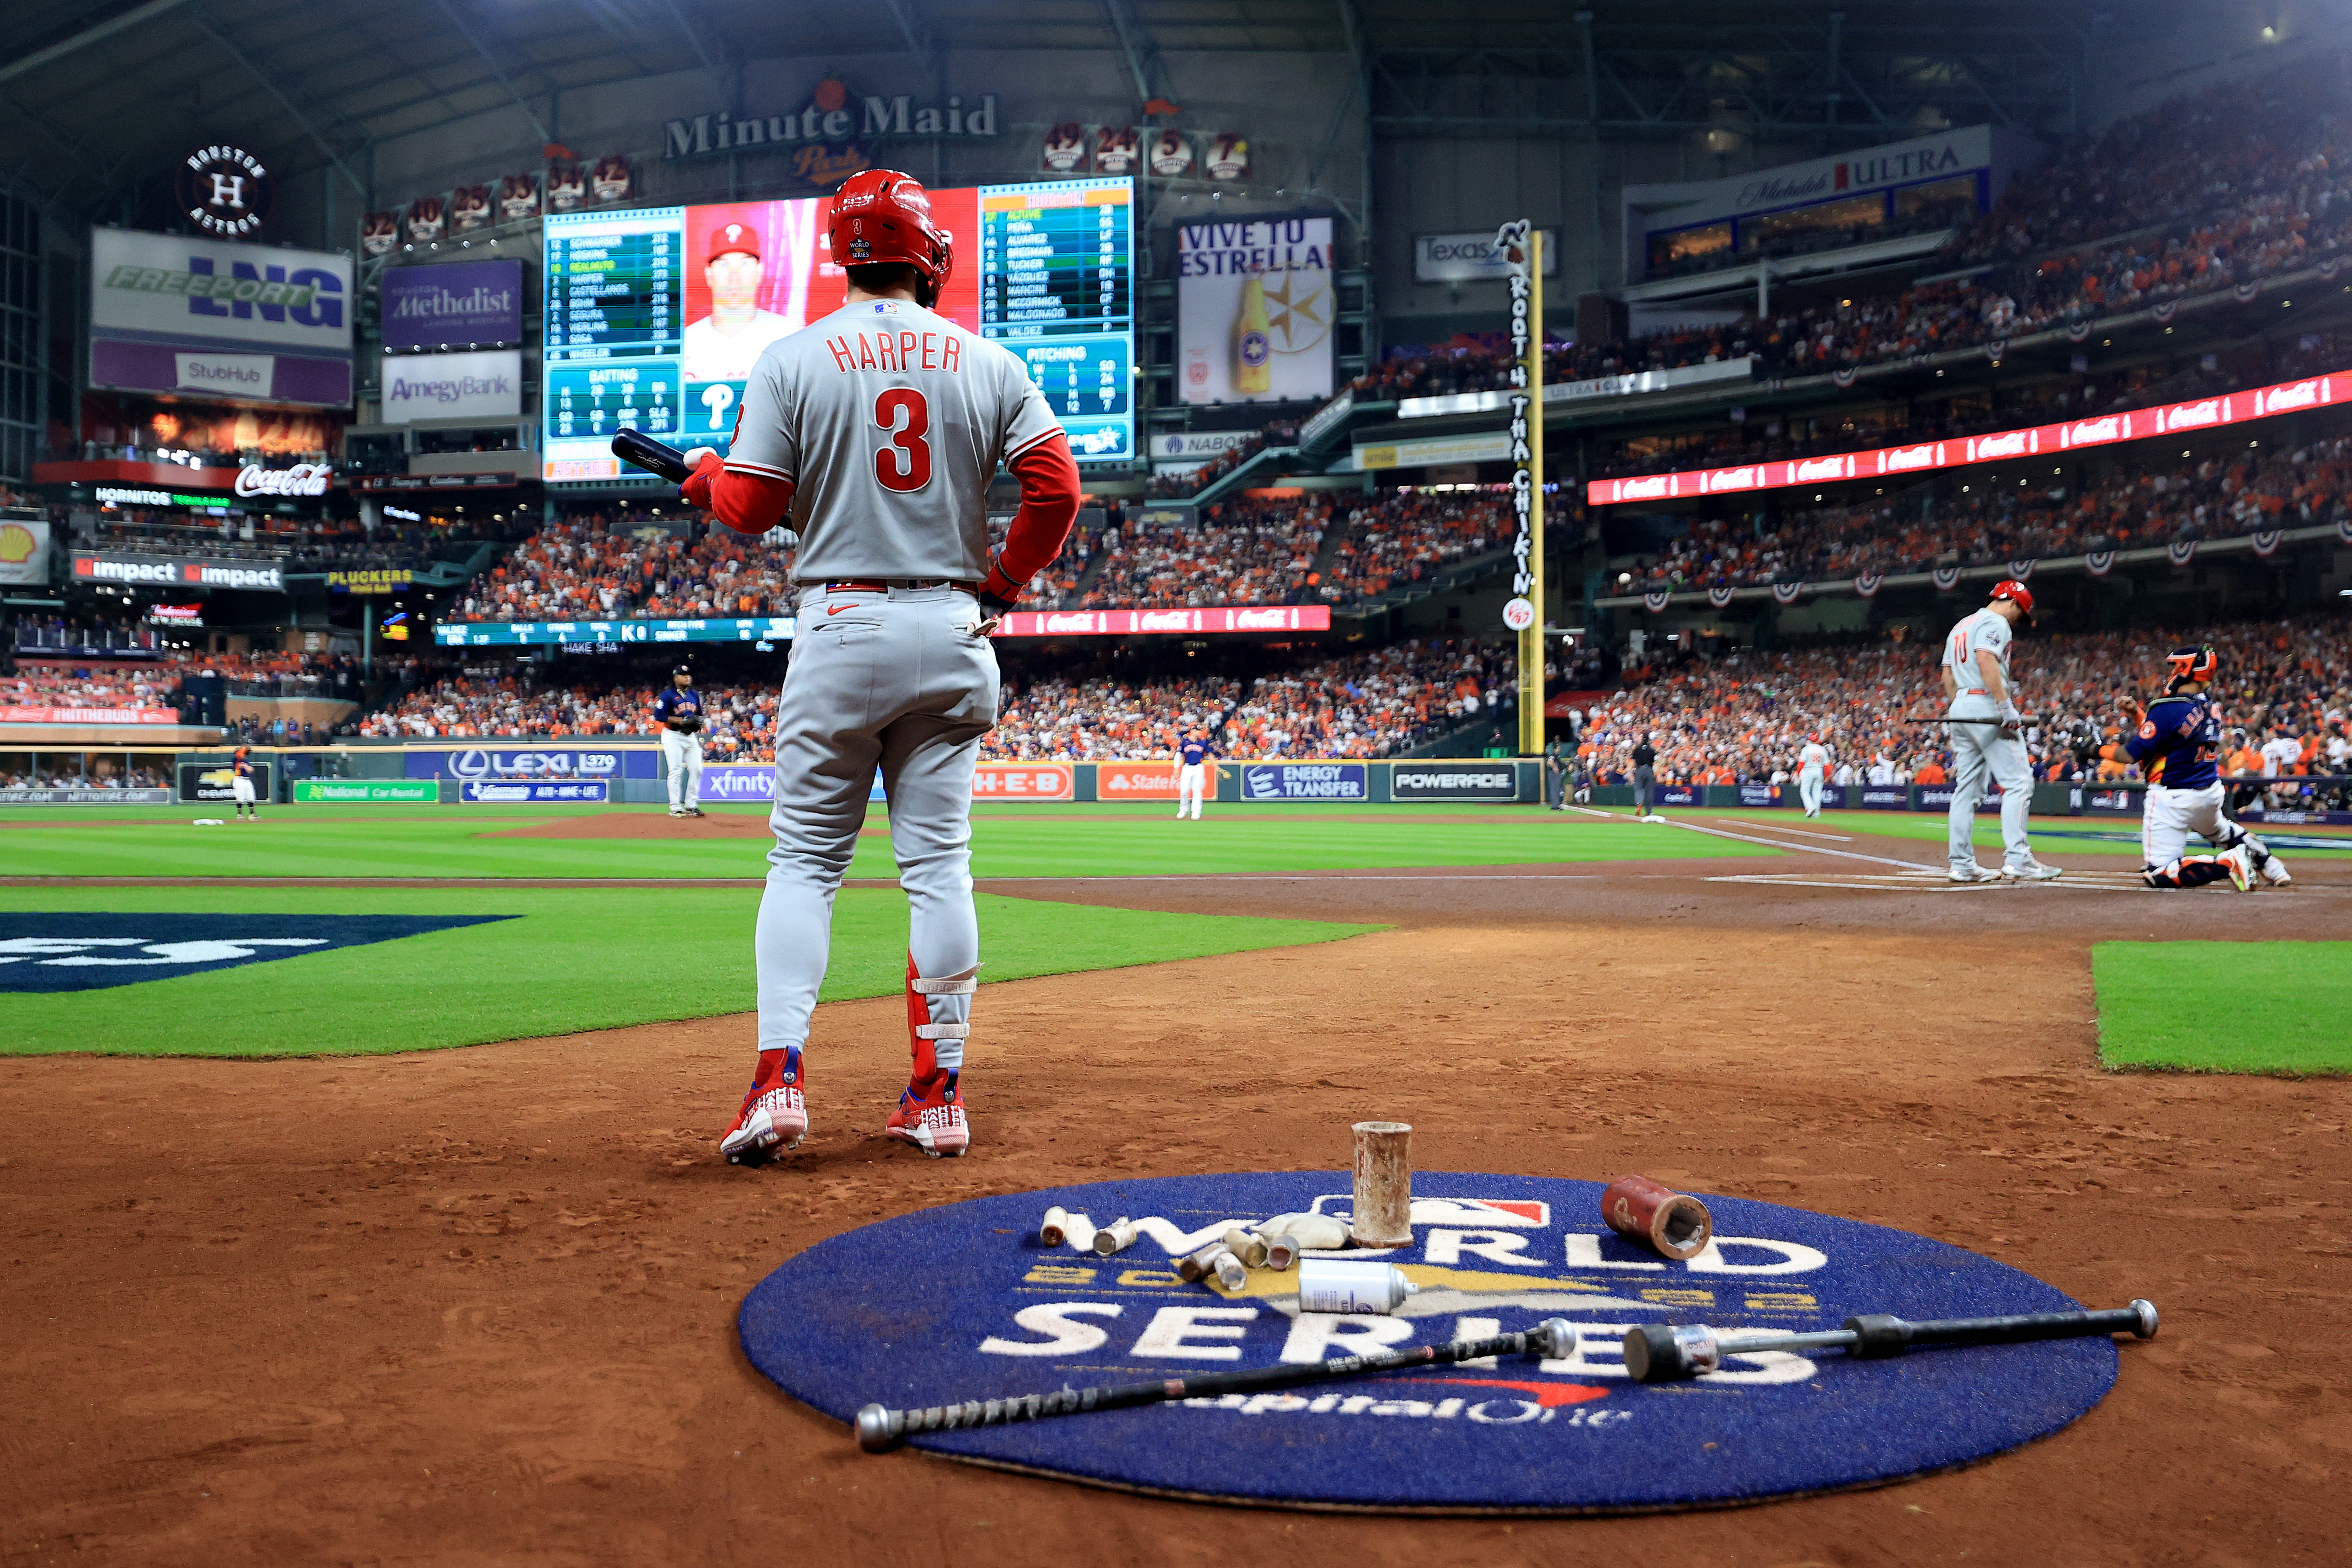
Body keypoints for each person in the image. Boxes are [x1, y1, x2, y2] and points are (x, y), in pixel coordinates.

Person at [680, 170, 1081, 1164]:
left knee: (805, 865)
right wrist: (1001, 581)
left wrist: (704, 478)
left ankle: (778, 1082)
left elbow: (752, 508)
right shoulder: (985, 358)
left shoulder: (794, 355)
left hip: (844, 622)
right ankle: (936, 1095)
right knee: (939, 868)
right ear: (925, 253)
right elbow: (1056, 488)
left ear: (840, 255)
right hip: (951, 625)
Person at [2120, 645, 2289, 890]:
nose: (2173, 672)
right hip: (2208, 790)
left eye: (2176, 667)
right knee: (2223, 831)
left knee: (2158, 873)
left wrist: (2094, 749)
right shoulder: (2210, 706)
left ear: (2187, 668)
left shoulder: (2171, 706)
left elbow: (2140, 750)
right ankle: (2273, 867)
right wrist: (2138, 714)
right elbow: (2165, 738)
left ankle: (2228, 863)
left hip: (2176, 794)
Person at [1941, 580, 2061, 884]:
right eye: (2020, 612)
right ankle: (2018, 859)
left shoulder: (1960, 625)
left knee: (1966, 791)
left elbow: (1947, 674)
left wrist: (1961, 706)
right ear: (2012, 602)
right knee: (2019, 783)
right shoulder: (1995, 621)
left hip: (1960, 707)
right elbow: (1985, 658)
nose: (2018, 619)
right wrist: (2004, 706)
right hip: (1985, 705)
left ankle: (1961, 863)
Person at [682, 221, 795, 386]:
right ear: (708, 275)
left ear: (759, 272)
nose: (734, 276)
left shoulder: (786, 334)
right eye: (723, 265)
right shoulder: (687, 342)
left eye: (745, 264)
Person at [653, 664, 706, 818]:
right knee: (676, 770)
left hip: (690, 737)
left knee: (697, 769)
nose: (688, 677)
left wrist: (698, 723)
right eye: (684, 675)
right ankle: (676, 807)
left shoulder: (694, 695)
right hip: (673, 735)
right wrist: (681, 721)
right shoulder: (667, 695)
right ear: (676, 678)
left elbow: (699, 715)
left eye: (689, 674)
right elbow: (659, 715)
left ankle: (691, 805)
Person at [1175, 729, 1217, 820]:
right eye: (1197, 731)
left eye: (1199, 731)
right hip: (1187, 767)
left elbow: (1210, 755)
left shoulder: (1202, 743)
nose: (1199, 732)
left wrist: (1217, 767)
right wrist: (1176, 768)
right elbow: (1178, 754)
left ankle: (1196, 812)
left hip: (1199, 767)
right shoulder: (1184, 742)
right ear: (1192, 731)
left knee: (1197, 791)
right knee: (1184, 791)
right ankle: (1183, 809)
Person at [1796, 731, 1831, 818]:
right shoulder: (1822, 749)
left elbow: (1801, 763)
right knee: (1817, 792)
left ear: (1810, 740)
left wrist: (1798, 773)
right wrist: (1827, 776)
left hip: (1808, 770)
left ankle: (1810, 807)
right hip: (1819, 771)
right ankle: (1817, 814)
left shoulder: (1806, 749)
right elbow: (1827, 765)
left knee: (1805, 791)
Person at [1632, 732, 1663, 822]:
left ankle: (1639, 804)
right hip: (1649, 770)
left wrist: (1635, 771)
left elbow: (1634, 761)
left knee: (1639, 789)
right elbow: (1655, 761)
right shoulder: (1651, 750)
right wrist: (1659, 773)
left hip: (1639, 770)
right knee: (1649, 791)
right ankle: (1649, 811)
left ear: (1642, 739)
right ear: (1649, 740)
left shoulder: (1637, 749)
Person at [230, 744, 258, 822]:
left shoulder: (246, 761)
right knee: (240, 798)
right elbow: (239, 755)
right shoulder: (235, 759)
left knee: (251, 797)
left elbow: (251, 770)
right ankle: (240, 815)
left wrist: (248, 767)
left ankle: (252, 814)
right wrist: (244, 748)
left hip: (247, 780)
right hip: (239, 779)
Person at [1543, 735, 1568, 811]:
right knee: (1555, 790)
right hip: (1553, 774)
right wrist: (1555, 767)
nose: (1559, 749)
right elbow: (1550, 761)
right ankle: (1555, 806)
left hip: (1554, 774)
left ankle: (1556, 805)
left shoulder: (1556, 756)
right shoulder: (1553, 755)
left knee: (1556, 790)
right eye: (1558, 747)